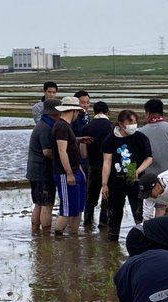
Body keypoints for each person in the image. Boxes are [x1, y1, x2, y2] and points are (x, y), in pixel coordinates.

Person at [101, 110, 153, 241]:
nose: (133, 125)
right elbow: (107, 162)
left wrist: (137, 171)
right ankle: (112, 242)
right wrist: (104, 184)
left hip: (136, 180)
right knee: (114, 212)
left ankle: (143, 239)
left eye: (135, 122)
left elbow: (149, 159)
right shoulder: (111, 139)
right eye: (130, 122)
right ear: (121, 124)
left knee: (139, 211)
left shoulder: (140, 138)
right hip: (116, 181)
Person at [51, 96, 87, 235]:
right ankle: (58, 238)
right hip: (64, 173)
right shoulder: (61, 126)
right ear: (73, 111)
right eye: (77, 112)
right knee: (66, 210)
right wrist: (69, 173)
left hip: (75, 170)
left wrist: (79, 169)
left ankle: (74, 237)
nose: (77, 115)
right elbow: (62, 151)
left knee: (77, 208)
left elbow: (72, 151)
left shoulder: (67, 127)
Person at [25, 98, 61, 233]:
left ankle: (36, 232)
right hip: (43, 172)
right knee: (47, 204)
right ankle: (46, 235)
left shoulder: (42, 124)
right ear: (54, 114)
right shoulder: (45, 128)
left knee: (38, 204)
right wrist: (61, 158)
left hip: (34, 171)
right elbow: (47, 152)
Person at [81, 101, 112, 228]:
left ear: (94, 112)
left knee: (91, 195)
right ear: (107, 111)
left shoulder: (86, 128)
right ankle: (103, 222)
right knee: (107, 194)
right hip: (109, 167)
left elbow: (83, 153)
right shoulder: (112, 127)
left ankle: (87, 221)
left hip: (93, 165)